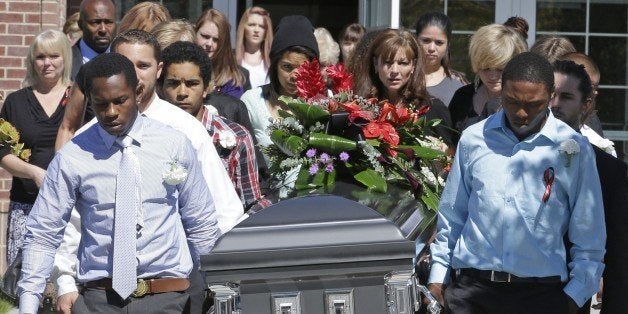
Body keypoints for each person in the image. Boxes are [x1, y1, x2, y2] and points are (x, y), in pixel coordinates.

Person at [52, 30, 244, 313]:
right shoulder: (86, 140)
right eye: (125, 65)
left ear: (159, 69)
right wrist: (64, 280)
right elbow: (73, 218)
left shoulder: (185, 131)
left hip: (176, 286)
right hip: (103, 291)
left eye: (143, 66)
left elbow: (219, 210)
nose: (134, 75)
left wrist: (216, 280)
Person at [17, 52, 221, 313]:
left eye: (120, 101)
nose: (111, 112)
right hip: (99, 299)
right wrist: (27, 306)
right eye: (101, 104)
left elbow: (201, 222)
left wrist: (214, 288)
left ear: (137, 92)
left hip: (167, 295)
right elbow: (43, 233)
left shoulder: (174, 144)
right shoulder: (73, 156)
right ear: (89, 100)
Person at [428, 52, 606, 313]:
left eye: (533, 104)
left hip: (541, 296)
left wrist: (573, 297)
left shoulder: (574, 149)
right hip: (472, 293)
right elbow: (452, 218)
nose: (521, 113)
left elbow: (589, 235)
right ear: (501, 92)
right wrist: (437, 279)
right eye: (511, 101)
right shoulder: (473, 139)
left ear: (550, 96)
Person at [550, 60, 628, 314]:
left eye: (566, 97)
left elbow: (619, 257)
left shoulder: (609, 170)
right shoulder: (511, 155)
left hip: (571, 301)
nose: (554, 104)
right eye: (550, 94)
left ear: (586, 105)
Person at [160, 41, 272, 213]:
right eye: (173, 83)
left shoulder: (238, 138)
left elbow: (251, 204)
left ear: (206, 88)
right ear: (161, 88)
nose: (182, 93)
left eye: (191, 83)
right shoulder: (149, 134)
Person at [0, 30, 71, 265]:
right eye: (40, 57)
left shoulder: (79, 100)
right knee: (22, 284)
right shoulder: (16, 102)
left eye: (54, 56)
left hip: (71, 207)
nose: (47, 63)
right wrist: (33, 172)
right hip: (26, 205)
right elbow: (2, 152)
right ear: (32, 61)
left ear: (65, 58)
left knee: (64, 282)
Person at [354, 29, 454, 151]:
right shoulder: (361, 108)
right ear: (376, 64)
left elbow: (451, 156)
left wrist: (444, 152)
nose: (394, 70)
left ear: (413, 65)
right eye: (387, 62)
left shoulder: (431, 109)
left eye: (403, 63)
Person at [448, 24, 527, 144]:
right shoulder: (462, 97)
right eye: (485, 68)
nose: (492, 76)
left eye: (500, 69)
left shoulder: (525, 103)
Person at [415, 12, 468, 107]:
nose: (431, 48)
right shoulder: (401, 77)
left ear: (448, 45)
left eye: (439, 43)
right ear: (416, 39)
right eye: (426, 41)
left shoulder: (458, 86)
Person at [195, 8, 250, 98]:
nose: (209, 43)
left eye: (216, 40)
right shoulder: (181, 67)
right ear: (195, 32)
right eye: (205, 36)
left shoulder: (237, 78)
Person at [559, 52, 605, 137]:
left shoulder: (592, 122)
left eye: (594, 87)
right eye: (586, 86)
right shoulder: (545, 115)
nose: (593, 93)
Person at [71, 0, 116, 80]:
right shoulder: (66, 60)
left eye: (108, 22)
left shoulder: (124, 57)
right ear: (81, 25)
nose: (103, 30)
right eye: (95, 22)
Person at [235, 6, 273, 89]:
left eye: (261, 26)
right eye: (252, 25)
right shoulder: (232, 59)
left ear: (266, 31)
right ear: (243, 28)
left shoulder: (272, 60)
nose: (256, 30)